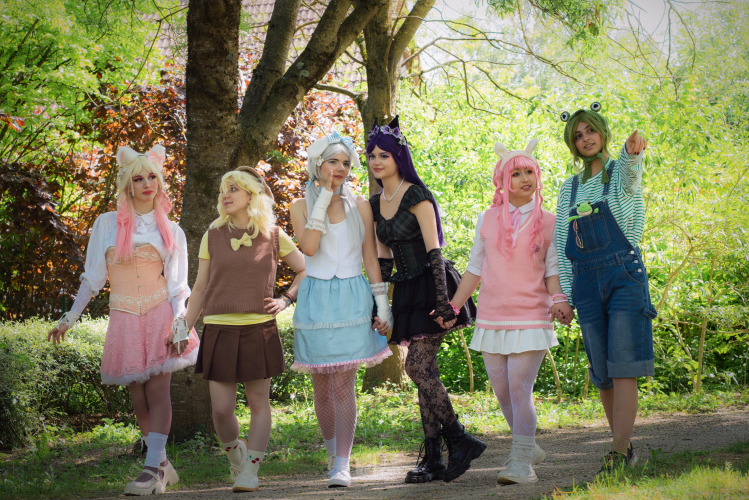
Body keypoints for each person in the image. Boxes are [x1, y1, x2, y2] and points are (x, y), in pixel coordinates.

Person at [47, 145, 199, 495]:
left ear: (160, 182)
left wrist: (180, 324)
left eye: (152, 177)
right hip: (125, 320)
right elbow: (92, 279)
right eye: (138, 178)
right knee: (139, 400)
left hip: (160, 316)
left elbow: (178, 287)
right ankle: (163, 466)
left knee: (158, 393)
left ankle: (151, 472)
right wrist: (69, 318)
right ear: (127, 184)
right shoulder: (106, 224)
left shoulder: (171, 229)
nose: (147, 184)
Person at [448, 139, 573, 484]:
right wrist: (454, 306)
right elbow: (474, 269)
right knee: (502, 391)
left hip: (532, 315)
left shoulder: (549, 221)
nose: (524, 179)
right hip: (491, 316)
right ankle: (528, 445)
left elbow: (552, 270)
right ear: (502, 180)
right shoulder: (486, 219)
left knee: (519, 388)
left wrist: (559, 299)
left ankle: (522, 464)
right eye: (515, 173)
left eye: (529, 172)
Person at [367, 116, 483, 484]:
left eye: (384, 155)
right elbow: (384, 261)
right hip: (406, 291)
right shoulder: (375, 203)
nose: (376, 161)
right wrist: (377, 305)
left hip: (433, 287)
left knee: (416, 368)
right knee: (425, 370)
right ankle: (434, 458)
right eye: (371, 156)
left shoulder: (417, 195)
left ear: (398, 156)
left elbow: (435, 252)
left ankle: (459, 439)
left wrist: (445, 303)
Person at [179, 166, 306, 492]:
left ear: (251, 195)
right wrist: (183, 328)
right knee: (221, 411)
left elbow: (305, 270)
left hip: (259, 329)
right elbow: (200, 288)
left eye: (234, 189)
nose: (226, 195)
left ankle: (251, 471)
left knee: (258, 402)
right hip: (218, 329)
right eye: (224, 189)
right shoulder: (212, 235)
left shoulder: (274, 234)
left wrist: (286, 299)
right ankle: (236, 455)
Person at [289, 131, 392, 488]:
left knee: (344, 386)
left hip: (352, 297)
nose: (340, 168)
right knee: (321, 387)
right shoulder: (299, 205)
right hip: (315, 300)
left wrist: (383, 305)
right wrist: (323, 198)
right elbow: (309, 248)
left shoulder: (360, 204)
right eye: (333, 161)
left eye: (346, 163)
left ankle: (342, 465)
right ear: (317, 164)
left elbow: (370, 258)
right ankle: (332, 454)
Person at [555, 102, 654, 473]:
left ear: (603, 132)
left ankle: (616, 453)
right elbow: (562, 244)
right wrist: (564, 295)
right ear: (573, 144)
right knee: (603, 372)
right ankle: (623, 447)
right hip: (584, 281)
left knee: (624, 364)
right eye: (578, 135)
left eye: (590, 130)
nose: (585, 139)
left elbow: (630, 175)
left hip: (623, 274)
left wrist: (631, 154)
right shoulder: (569, 188)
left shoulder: (620, 174)